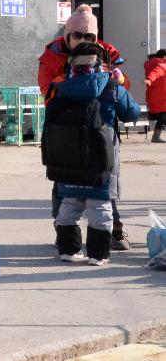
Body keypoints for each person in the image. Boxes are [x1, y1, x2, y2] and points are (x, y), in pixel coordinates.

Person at [37, 4, 131, 250]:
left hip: (98, 127)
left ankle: (114, 229)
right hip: (67, 128)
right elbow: (48, 92)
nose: (82, 40)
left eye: (89, 36)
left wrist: (114, 82)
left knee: (103, 182)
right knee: (66, 182)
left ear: (96, 37)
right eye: (77, 34)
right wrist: (79, 83)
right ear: (67, 34)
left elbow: (123, 89)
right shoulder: (52, 57)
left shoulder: (106, 54)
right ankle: (64, 232)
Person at [46, 42, 140, 265]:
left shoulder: (60, 88)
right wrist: (120, 84)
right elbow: (132, 113)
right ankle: (97, 254)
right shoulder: (112, 88)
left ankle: (68, 250)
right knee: (99, 206)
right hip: (102, 160)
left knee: (69, 204)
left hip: (67, 161)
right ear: (102, 64)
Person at [145, 49, 166, 143]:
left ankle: (156, 136)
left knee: (162, 118)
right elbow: (156, 73)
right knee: (163, 118)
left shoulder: (150, 64)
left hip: (154, 95)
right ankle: (156, 137)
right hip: (162, 96)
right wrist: (150, 79)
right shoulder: (162, 65)